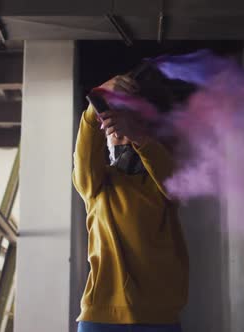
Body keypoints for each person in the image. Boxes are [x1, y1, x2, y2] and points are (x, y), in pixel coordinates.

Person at [73, 74, 189, 332]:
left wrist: (140, 138)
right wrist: (96, 102)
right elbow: (84, 155)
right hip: (101, 318)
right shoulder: (98, 184)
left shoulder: (165, 180)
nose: (118, 133)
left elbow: (176, 187)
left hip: (160, 318)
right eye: (112, 125)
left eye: (125, 123)